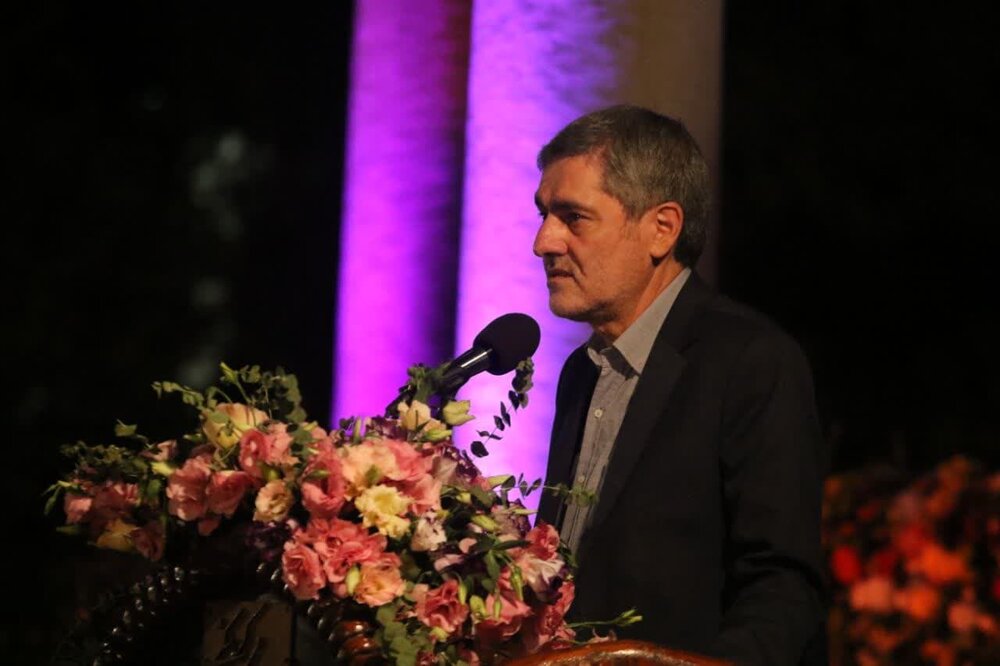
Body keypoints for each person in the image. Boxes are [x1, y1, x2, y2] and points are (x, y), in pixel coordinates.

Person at [533, 105, 828, 665]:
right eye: (545, 215)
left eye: (573, 218)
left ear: (662, 229)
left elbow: (783, 588)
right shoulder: (581, 372)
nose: (543, 241)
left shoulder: (750, 360)